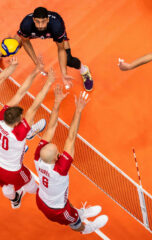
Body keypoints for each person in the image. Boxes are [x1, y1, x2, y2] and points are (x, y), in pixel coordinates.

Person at [34, 90, 108, 234]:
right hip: (56, 210)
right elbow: (71, 137)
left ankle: (79, 212)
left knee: (64, 197)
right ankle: (86, 229)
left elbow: (51, 128)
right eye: (57, 153)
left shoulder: (38, 156)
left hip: (43, 198)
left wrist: (57, 102)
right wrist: (79, 110)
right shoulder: (60, 170)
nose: (60, 153)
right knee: (74, 221)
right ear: (56, 158)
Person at [0, 66, 55, 209]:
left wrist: (35, 70)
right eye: (21, 119)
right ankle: (46, 202)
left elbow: (20, 94)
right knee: (32, 187)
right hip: (13, 171)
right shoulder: (18, 134)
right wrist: (49, 83)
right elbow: (34, 107)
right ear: (16, 123)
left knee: (6, 187)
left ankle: (14, 200)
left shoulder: (0, 118)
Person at [15, 6, 94, 91]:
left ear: (48, 20)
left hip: (52, 32)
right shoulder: (26, 24)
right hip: (33, 33)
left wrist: (64, 73)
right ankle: (2, 55)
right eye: (37, 22)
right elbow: (25, 42)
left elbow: (61, 49)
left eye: (43, 22)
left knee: (68, 59)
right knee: (12, 45)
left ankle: (84, 70)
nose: (40, 25)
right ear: (34, 20)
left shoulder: (57, 26)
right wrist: (37, 63)